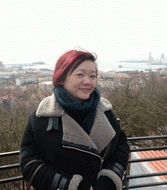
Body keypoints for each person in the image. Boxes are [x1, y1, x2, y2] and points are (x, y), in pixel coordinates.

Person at [19, 49, 130, 190]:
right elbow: (29, 164)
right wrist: (72, 186)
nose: (87, 81)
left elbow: (121, 145)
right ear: (61, 77)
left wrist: (110, 178)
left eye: (92, 76)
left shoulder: (106, 111)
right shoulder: (42, 116)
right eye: (80, 75)